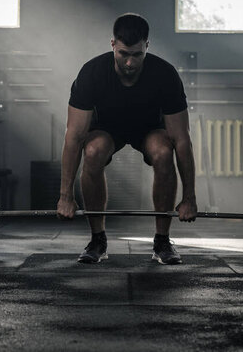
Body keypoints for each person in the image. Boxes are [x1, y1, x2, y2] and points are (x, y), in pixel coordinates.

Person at [56, 13, 197, 265]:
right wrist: (65, 195)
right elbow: (74, 137)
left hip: (149, 130)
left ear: (147, 47)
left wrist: (189, 198)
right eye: (123, 54)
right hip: (107, 130)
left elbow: (182, 139)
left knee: (164, 152)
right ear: (113, 45)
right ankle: (97, 240)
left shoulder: (165, 75)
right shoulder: (92, 73)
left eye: (137, 54)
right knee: (92, 151)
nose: (130, 62)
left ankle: (162, 242)